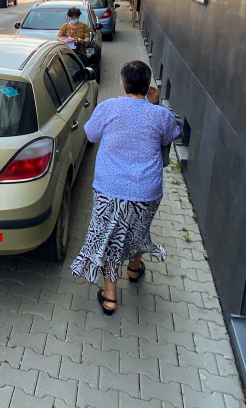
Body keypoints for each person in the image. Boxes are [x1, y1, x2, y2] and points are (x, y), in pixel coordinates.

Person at [71, 60, 181, 316]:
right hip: (147, 190)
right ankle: (134, 269)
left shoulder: (108, 108)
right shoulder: (160, 114)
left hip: (110, 188)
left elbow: (91, 135)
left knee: (110, 238)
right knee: (137, 229)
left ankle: (110, 297)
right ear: (148, 85)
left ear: (122, 83)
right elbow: (169, 136)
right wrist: (156, 103)